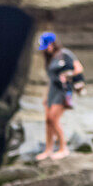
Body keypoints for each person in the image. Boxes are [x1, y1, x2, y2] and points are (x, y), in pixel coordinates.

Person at [36, 31, 83, 161]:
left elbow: (79, 68)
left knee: (53, 119)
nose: (45, 50)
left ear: (52, 44)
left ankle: (63, 148)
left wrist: (67, 75)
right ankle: (48, 149)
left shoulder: (65, 54)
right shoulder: (51, 58)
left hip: (63, 91)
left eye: (47, 46)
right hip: (52, 91)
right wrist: (46, 97)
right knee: (48, 121)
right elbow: (50, 79)